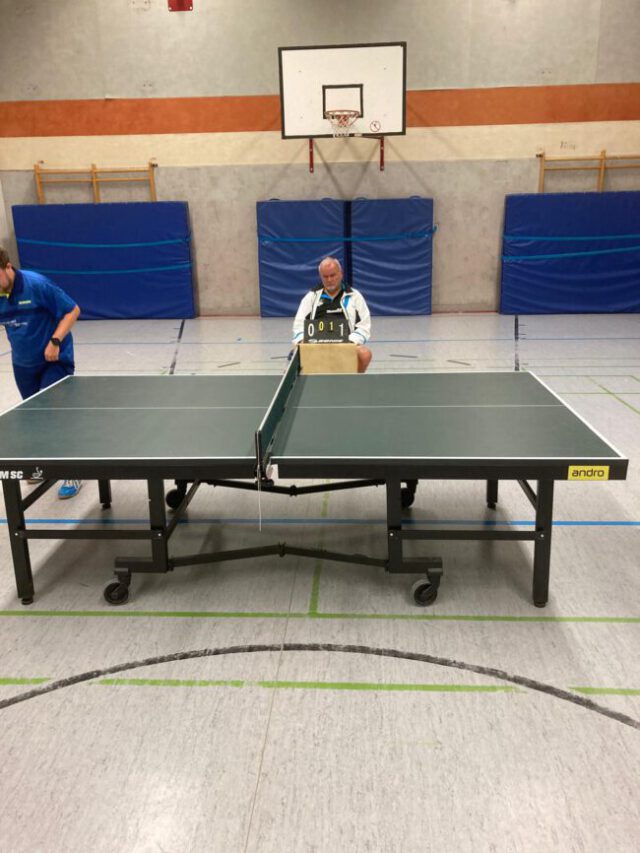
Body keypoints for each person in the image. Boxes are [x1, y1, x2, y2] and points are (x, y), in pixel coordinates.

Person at [0, 248, 82, 499]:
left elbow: (72, 310)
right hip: (23, 364)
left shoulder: (37, 285)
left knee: (55, 416)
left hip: (53, 361)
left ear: (8, 267)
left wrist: (55, 341)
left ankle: (72, 471)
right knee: (33, 419)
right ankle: (42, 467)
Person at [292, 257, 372, 372]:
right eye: (325, 276)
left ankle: (355, 380)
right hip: (316, 345)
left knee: (364, 354)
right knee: (294, 355)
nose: (329, 280)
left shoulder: (355, 296)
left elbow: (364, 326)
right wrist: (302, 341)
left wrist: (350, 342)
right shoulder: (311, 297)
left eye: (333, 275)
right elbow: (299, 325)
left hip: (346, 344)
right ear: (320, 276)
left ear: (341, 273)